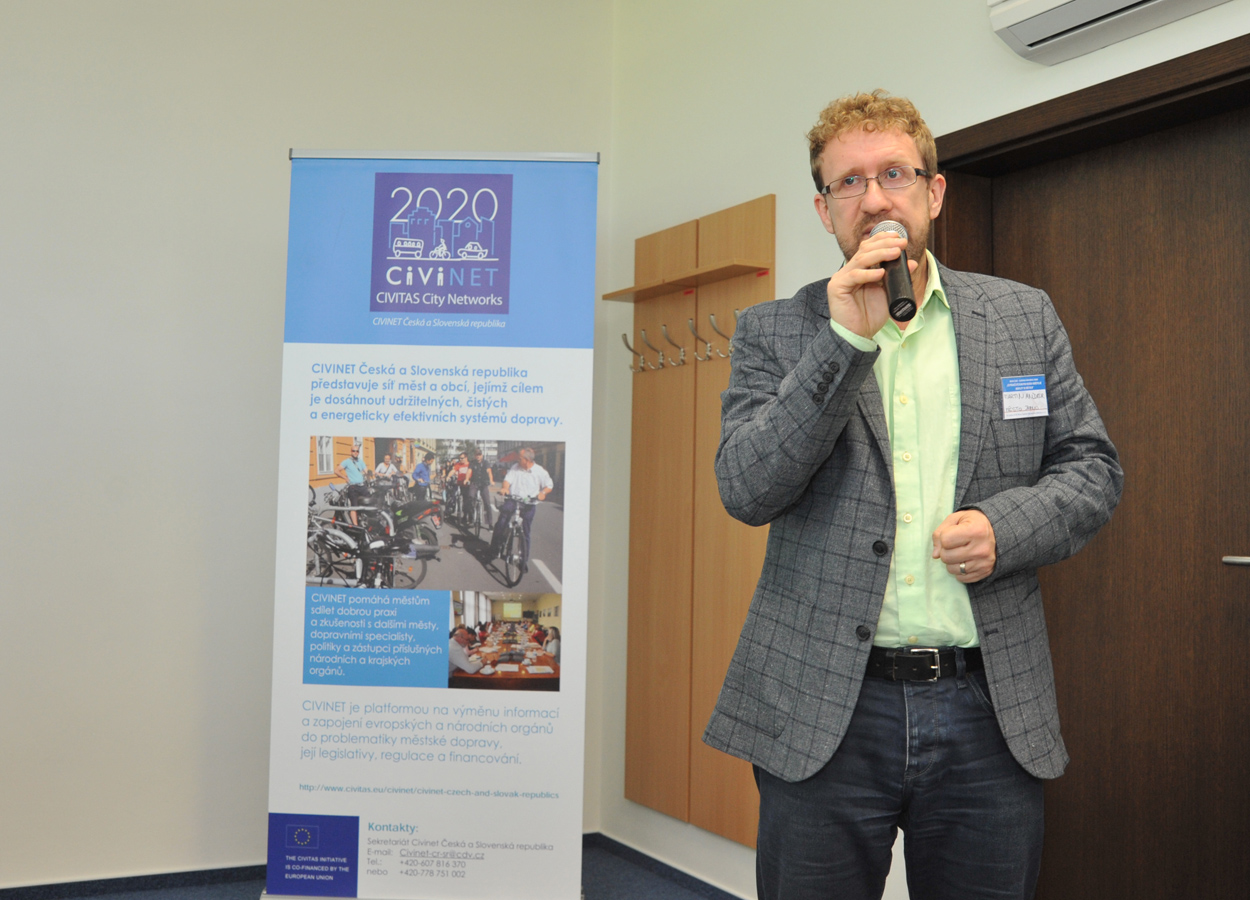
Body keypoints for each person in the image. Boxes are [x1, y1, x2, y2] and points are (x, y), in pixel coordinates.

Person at [703, 90, 1123, 900]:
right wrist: (844, 341)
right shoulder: (774, 331)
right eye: (849, 182)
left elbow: (1091, 468)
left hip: (987, 706)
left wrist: (1005, 528)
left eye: (894, 174)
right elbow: (747, 488)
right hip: (824, 705)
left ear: (933, 193)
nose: (875, 198)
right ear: (825, 211)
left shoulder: (1021, 317)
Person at [488, 448, 553, 571]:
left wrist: (543, 493)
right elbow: (507, 480)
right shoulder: (515, 467)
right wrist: (505, 488)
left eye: (520, 458)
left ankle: (523, 561)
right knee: (501, 522)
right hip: (513, 500)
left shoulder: (539, 471)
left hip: (529, 503)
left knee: (526, 531)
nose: (518, 460)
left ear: (527, 460)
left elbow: (549, 485)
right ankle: (494, 548)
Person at [334, 443, 369, 526]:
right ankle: (355, 526)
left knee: (368, 503)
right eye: (354, 451)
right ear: (351, 452)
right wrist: (345, 478)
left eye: (357, 451)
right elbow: (336, 471)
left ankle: (366, 522)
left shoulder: (360, 461)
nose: (355, 452)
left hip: (362, 486)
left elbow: (366, 471)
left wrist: (369, 475)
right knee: (354, 506)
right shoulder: (347, 461)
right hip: (353, 487)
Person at [467, 448, 496, 528]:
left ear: (482, 455)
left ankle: (490, 523)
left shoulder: (485, 463)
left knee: (487, 502)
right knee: (470, 497)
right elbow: (469, 471)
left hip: (483, 483)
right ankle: (471, 518)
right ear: (474, 455)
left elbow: (489, 471)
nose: (478, 456)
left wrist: (491, 480)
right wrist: (466, 479)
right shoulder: (472, 463)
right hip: (474, 483)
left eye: (479, 455)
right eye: (476, 455)